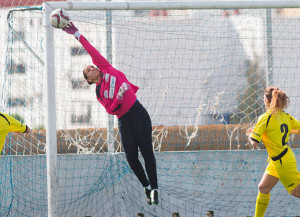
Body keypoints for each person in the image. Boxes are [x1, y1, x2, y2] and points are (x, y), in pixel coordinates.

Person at [62, 22, 159, 205]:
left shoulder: (105, 68)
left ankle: (154, 189)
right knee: (131, 158)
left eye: (91, 66)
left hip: (138, 113)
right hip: (124, 120)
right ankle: (146, 186)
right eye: (88, 70)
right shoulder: (99, 92)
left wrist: (76, 33)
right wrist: (120, 96)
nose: (91, 67)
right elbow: (110, 109)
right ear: (89, 80)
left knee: (147, 151)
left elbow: (91, 50)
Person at [246, 86, 300, 217]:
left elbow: (254, 143)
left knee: (297, 192)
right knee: (263, 188)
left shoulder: (265, 118)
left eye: (264, 97)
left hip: (282, 162)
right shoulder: (285, 116)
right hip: (277, 160)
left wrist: (249, 134)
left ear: (267, 100)